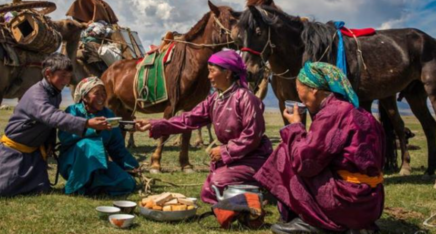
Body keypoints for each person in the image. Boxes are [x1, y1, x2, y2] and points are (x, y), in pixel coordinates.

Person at [0, 53, 110, 201]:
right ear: (49, 73)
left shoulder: (55, 92)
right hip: (13, 151)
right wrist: (86, 123)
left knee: (40, 189)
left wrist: (49, 142)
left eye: (69, 76)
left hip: (33, 155)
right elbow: (50, 115)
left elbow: (49, 123)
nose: (66, 80)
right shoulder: (37, 94)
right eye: (63, 75)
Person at [255, 62, 384, 234]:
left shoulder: (332, 113)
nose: (301, 100)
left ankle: (312, 220)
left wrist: (295, 127)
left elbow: (305, 164)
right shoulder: (360, 112)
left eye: (301, 93)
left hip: (347, 203)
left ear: (314, 90)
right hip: (371, 204)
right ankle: (354, 226)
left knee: (285, 153)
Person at [135, 50, 272, 204]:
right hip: (234, 158)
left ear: (227, 73)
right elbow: (188, 119)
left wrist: (225, 150)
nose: (208, 76)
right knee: (211, 187)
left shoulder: (246, 98)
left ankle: (262, 188)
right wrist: (154, 124)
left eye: (212, 71)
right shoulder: (215, 99)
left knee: (217, 184)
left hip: (253, 158)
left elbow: (252, 136)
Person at [58, 77, 138, 196]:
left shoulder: (108, 115)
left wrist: (133, 167)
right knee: (88, 144)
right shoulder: (73, 111)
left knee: (129, 183)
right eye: (97, 93)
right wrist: (93, 130)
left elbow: (117, 147)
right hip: (74, 163)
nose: (102, 97)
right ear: (84, 97)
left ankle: (93, 188)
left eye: (103, 92)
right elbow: (65, 136)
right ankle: (76, 186)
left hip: (100, 163)